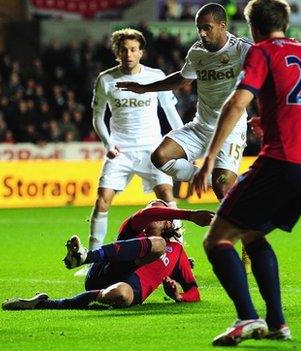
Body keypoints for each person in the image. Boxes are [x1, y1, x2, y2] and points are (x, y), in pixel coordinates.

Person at [191, 0, 301, 346]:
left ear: (254, 27)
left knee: (217, 239)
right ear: (285, 23)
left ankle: (246, 317)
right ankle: (277, 324)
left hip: (281, 161)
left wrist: (210, 158)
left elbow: (236, 102)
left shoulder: (262, 51)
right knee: (253, 234)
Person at [116, 3, 253, 271]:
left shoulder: (242, 50)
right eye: (199, 28)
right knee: (160, 157)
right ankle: (204, 175)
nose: (202, 33)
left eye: (207, 28)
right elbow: (182, 79)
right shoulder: (197, 52)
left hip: (231, 128)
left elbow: (266, 71)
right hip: (202, 126)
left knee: (223, 189)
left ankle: (248, 238)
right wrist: (145, 89)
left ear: (222, 26)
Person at [76, 28, 184, 277]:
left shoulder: (155, 77)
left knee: (167, 197)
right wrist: (107, 143)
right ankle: (92, 260)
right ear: (117, 52)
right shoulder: (106, 79)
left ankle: (178, 254)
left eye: (133, 49)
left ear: (141, 52)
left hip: (151, 148)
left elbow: (170, 113)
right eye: (123, 49)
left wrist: (181, 143)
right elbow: (98, 118)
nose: (129, 54)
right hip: (121, 149)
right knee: (102, 199)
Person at [2, 201, 214, 310]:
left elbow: (194, 291)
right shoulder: (133, 229)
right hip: (104, 270)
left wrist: (178, 296)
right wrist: (190, 215)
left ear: (168, 223)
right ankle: (86, 257)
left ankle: (43, 303)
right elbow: (145, 214)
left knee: (122, 294)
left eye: (159, 213)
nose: (151, 213)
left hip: (130, 288)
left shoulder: (178, 252)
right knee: (156, 245)